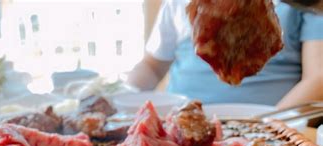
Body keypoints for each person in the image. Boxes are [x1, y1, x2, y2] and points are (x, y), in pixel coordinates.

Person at [128, 0, 323, 108]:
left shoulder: (304, 6)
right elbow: (151, 66)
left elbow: (318, 77)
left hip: (269, 124)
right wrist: (124, 93)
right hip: (184, 122)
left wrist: (270, 124)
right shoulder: (177, 3)